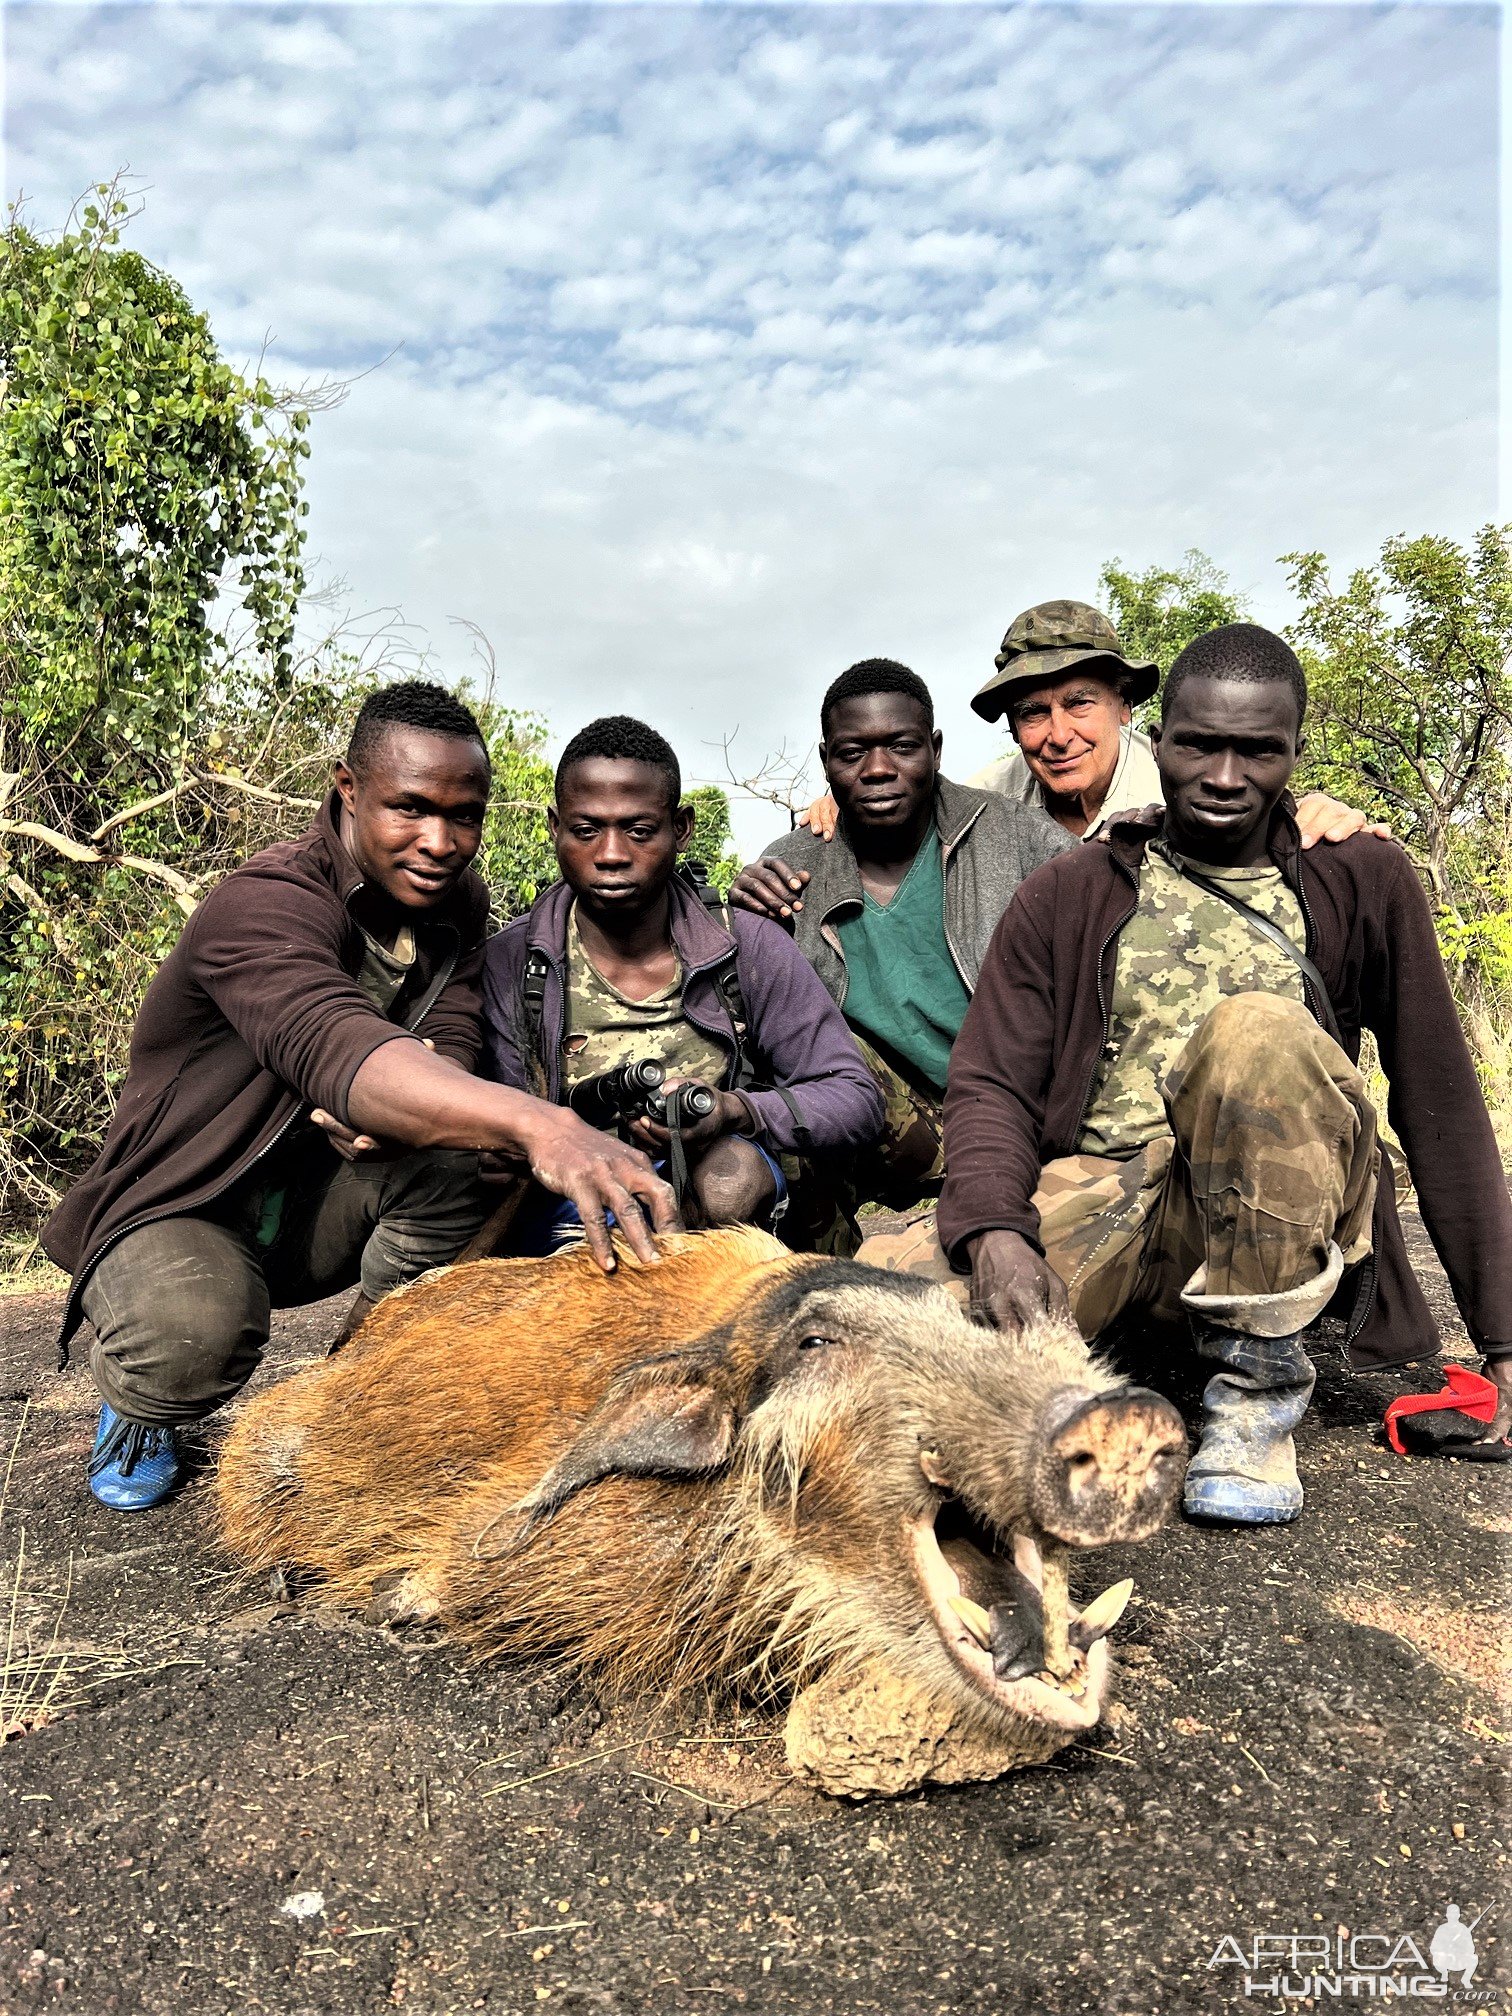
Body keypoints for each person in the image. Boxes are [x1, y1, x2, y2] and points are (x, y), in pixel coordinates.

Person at [876, 623, 1512, 1524]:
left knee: (1255, 1028)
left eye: (1258, 751)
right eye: (1200, 745)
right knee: (883, 1311)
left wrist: (1504, 1340)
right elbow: (994, 1084)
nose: (1223, 776)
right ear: (1161, 739)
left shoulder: (1360, 876)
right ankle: (1103, 1338)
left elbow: (1439, 1098)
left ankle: (1255, 1399)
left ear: (1295, 752)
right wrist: (993, 1234)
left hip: (1273, 1220)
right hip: (1115, 1197)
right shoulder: (1071, 889)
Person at [45, 682, 677, 1513]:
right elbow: (327, 1036)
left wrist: (416, 1111)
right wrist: (542, 1122)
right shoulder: (263, 903)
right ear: (348, 789)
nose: (441, 842)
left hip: (318, 1198)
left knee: (473, 1165)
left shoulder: (454, 903)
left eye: (465, 816)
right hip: (186, 1201)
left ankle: (354, 1391)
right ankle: (140, 1409)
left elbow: (450, 1031)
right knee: (194, 1338)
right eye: (410, 808)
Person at [481, 715, 883, 1243]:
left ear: (682, 828)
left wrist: (731, 1111)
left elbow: (855, 1097)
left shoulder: (746, 944)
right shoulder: (512, 963)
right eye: (586, 830)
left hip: (718, 1214)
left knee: (730, 1180)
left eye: (639, 830)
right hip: (568, 1209)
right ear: (555, 828)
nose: (611, 855)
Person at [729, 660, 1071, 1223]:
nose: (878, 769)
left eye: (902, 747)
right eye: (853, 753)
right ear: (826, 762)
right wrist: (741, 916)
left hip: (1010, 1113)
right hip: (870, 1122)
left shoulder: (1021, 840)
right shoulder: (791, 868)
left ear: (935, 749)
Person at [799, 599, 1384, 846]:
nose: (1057, 736)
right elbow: (900, 802)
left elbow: (1274, 814)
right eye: (1031, 712)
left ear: (1124, 707)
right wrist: (837, 810)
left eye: (1079, 704)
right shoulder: (987, 798)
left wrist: (1324, 815)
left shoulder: (1184, 783)